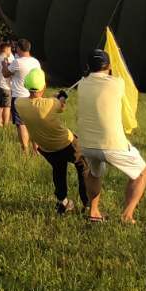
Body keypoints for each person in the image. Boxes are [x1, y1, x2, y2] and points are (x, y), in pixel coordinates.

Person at [74, 48, 146, 224]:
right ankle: (127, 215)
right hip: (111, 143)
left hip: (86, 144)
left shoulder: (82, 84)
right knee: (141, 173)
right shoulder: (117, 83)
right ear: (107, 66)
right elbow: (119, 78)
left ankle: (94, 211)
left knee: (94, 173)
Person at [15, 68, 90, 215]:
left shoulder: (19, 103)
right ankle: (87, 205)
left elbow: (39, 103)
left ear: (26, 86)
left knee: (58, 169)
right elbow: (60, 106)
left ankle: (62, 202)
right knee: (83, 166)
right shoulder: (51, 103)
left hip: (47, 149)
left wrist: (55, 98)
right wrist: (61, 97)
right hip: (67, 143)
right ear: (44, 86)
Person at [6, 39, 42, 154]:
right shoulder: (36, 62)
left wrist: (4, 65)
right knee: (33, 124)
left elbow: (5, 73)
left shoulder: (17, 62)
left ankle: (25, 150)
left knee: (21, 124)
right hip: (33, 95)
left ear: (18, 49)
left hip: (19, 97)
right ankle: (36, 149)